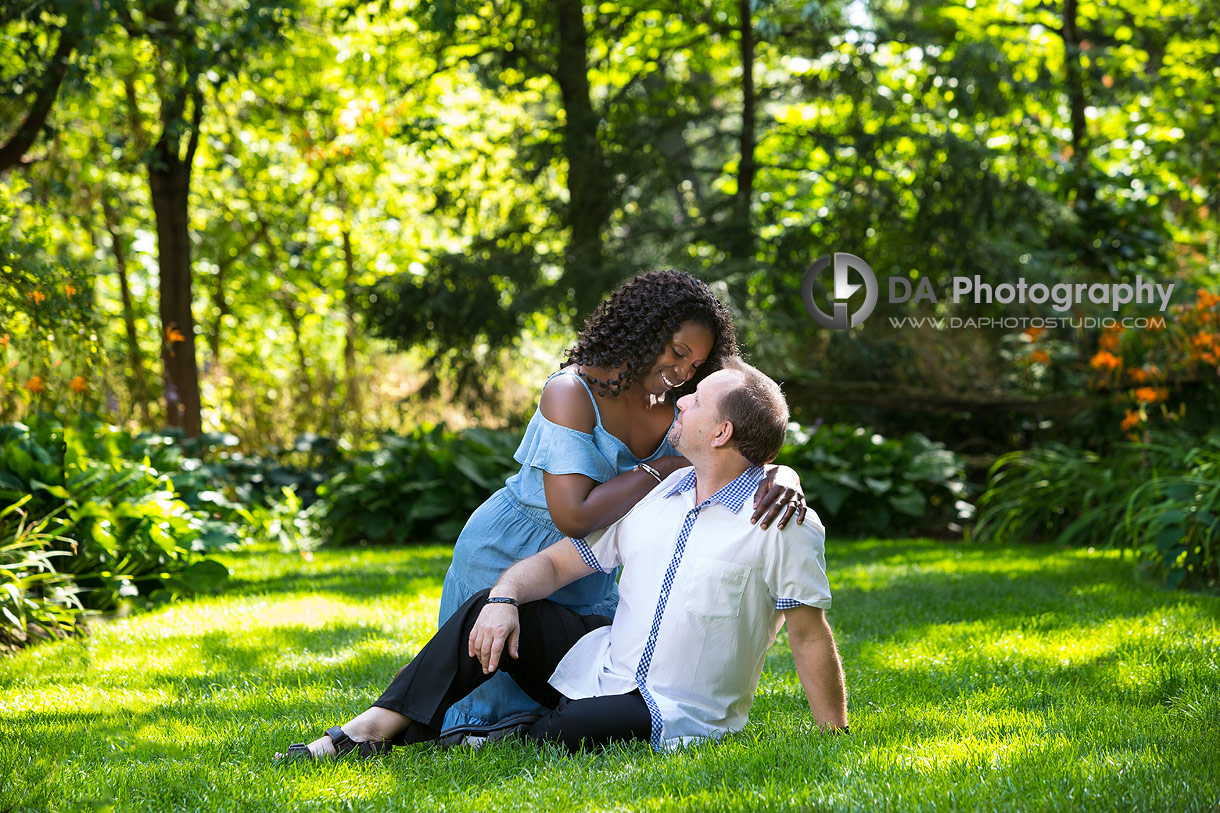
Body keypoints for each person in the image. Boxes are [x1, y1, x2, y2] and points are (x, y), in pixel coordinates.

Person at [280, 357, 846, 759]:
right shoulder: (657, 497)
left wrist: (832, 740)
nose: (680, 397)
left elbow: (809, 635)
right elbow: (554, 565)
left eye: (695, 399)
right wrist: (503, 599)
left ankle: (477, 737)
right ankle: (371, 727)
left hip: (674, 713)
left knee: (573, 729)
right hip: (602, 665)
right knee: (490, 607)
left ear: (721, 432)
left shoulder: (782, 523)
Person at [438, 270, 810, 734]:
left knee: (574, 697)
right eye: (677, 352)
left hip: (592, 563)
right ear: (645, 329)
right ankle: (379, 728)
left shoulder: (681, 399)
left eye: (696, 365)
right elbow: (573, 516)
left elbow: (755, 415)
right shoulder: (571, 391)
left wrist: (780, 472)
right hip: (513, 549)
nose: (684, 372)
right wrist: (663, 468)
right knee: (485, 708)